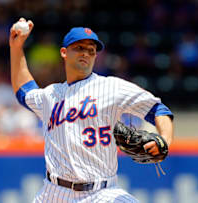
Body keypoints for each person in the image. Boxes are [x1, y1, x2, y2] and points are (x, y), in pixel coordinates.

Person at [9, 18, 174, 203]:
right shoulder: (50, 95)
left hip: (101, 193)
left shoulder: (111, 87)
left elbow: (158, 109)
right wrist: (16, 48)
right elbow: (24, 92)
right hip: (53, 193)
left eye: (91, 50)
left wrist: (165, 140)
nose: (86, 54)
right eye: (79, 48)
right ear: (64, 52)